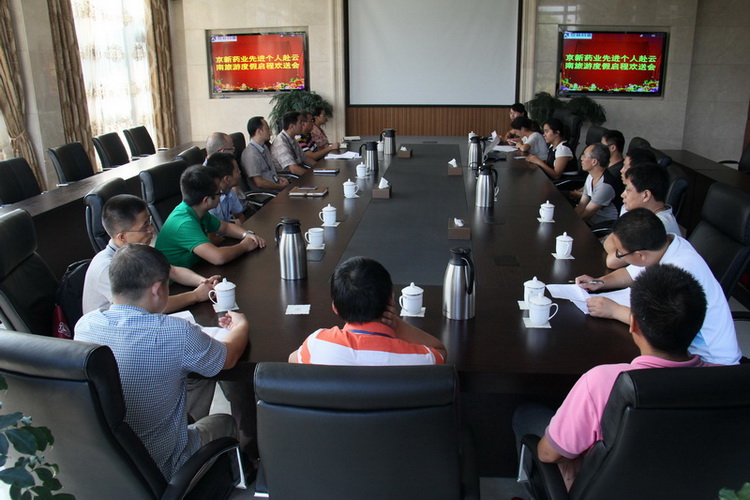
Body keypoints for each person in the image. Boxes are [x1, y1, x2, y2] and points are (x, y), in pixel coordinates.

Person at [514, 264, 716, 492]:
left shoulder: (603, 381)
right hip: (686, 486)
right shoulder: (726, 382)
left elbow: (548, 454)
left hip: (609, 489)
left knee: (527, 414)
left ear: (633, 323)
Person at [75, 243, 249, 480]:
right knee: (224, 421)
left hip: (109, 464)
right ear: (157, 289)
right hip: (163, 467)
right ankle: (237, 477)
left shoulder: (85, 325)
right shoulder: (175, 332)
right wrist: (241, 326)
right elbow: (228, 358)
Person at [575, 208, 741, 365]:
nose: (617, 255)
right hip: (680, 347)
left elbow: (660, 325)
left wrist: (614, 310)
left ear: (640, 255)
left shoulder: (678, 270)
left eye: (620, 252)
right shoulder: (667, 245)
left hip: (707, 361)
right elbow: (630, 274)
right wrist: (599, 282)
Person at [289, 256, 447, 365]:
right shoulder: (419, 359)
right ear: (391, 300)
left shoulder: (317, 345)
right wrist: (396, 324)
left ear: (335, 308)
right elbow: (441, 352)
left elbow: (292, 359)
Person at [82, 194, 220, 315]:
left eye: (149, 222)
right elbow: (147, 307)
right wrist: (195, 295)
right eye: (145, 227)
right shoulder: (107, 268)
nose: (152, 229)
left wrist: (203, 282)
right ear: (122, 237)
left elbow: (172, 271)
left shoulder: (136, 250)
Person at [155, 165, 265, 269]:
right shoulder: (184, 224)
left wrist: (247, 234)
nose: (221, 196)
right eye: (219, 193)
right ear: (206, 200)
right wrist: (245, 246)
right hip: (178, 280)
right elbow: (218, 257)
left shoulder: (196, 210)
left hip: (197, 267)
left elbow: (225, 227)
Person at [603, 163, 680, 268]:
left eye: (628, 190)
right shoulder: (642, 217)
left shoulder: (659, 226)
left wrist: (618, 250)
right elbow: (610, 239)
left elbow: (612, 261)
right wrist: (621, 251)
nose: (622, 195)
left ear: (646, 195)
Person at [575, 143, 619, 225]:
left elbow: (585, 215)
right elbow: (581, 206)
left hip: (602, 225)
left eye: (584, 156)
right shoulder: (591, 176)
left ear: (594, 162)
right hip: (590, 220)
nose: (581, 158)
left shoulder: (605, 185)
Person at [206, 151, 246, 225]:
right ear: (227, 179)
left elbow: (239, 215)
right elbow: (213, 232)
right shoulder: (210, 202)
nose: (240, 172)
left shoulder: (230, 191)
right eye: (237, 170)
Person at [271, 111, 312, 175]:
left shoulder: (292, 138)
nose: (302, 125)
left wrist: (320, 168)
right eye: (300, 123)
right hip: (290, 178)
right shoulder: (280, 143)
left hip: (298, 173)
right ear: (292, 126)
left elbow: (305, 158)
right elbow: (293, 169)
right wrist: (312, 176)